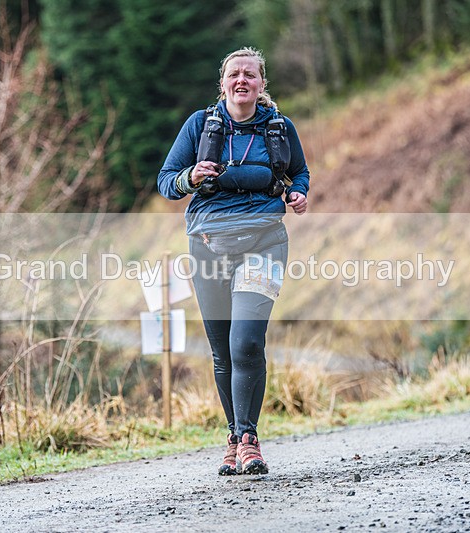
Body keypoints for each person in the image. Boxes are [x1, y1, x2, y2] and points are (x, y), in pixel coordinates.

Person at [157, 47, 309, 475]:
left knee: (246, 343)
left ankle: (248, 440)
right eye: (234, 74)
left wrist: (299, 192)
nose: (242, 80)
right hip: (208, 247)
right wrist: (189, 177)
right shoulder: (199, 126)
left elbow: (299, 171)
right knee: (222, 350)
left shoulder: (279, 128)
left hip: (264, 244)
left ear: (262, 84)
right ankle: (234, 436)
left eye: (250, 74)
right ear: (223, 83)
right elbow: (166, 181)